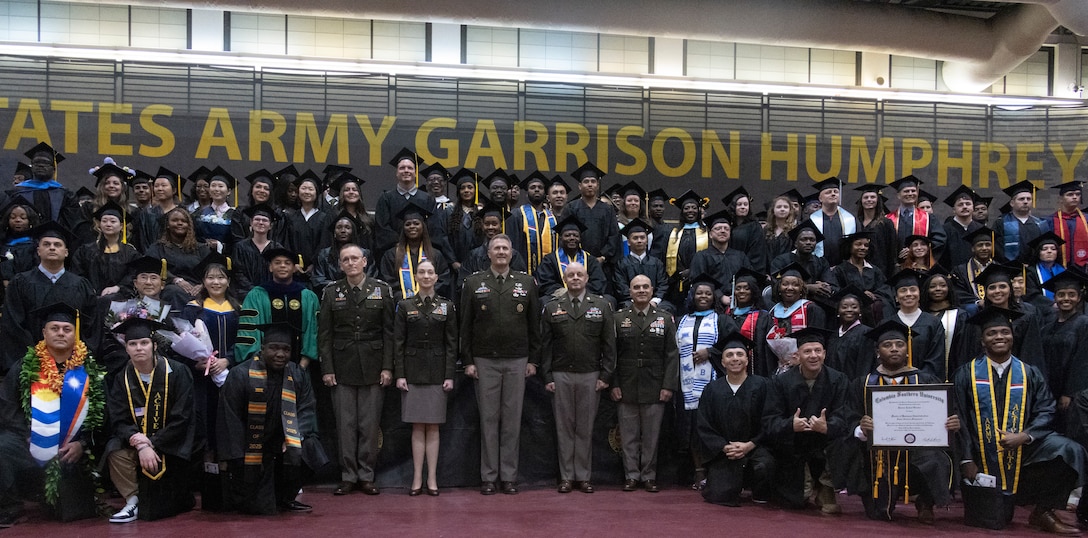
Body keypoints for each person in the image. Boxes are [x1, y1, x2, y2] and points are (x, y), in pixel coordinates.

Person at [953, 306, 1088, 534]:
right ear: (982, 340)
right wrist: (966, 459)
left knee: (1069, 450)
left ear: (1013, 337)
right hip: (980, 455)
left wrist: (1025, 436)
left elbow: (1046, 409)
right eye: (992, 333)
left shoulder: (1029, 373)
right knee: (996, 521)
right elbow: (959, 419)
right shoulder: (966, 374)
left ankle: (1043, 511)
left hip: (1024, 451)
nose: (999, 337)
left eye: (1004, 332)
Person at [0, 303, 104, 527]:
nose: (60, 333)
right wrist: (30, 434)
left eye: (67, 329)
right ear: (44, 332)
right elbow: (8, 407)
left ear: (75, 334)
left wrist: (82, 443)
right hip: (30, 439)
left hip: (72, 446)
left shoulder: (89, 370)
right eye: (54, 328)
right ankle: (9, 507)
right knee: (3, 446)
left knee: (69, 511)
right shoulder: (25, 367)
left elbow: (101, 414)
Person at [846, 320, 959, 523]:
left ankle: (926, 501)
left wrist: (950, 424)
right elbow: (850, 417)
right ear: (877, 352)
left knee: (935, 458)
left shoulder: (925, 380)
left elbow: (942, 417)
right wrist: (861, 429)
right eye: (887, 345)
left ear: (907, 351)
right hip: (878, 456)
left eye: (899, 344)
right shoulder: (863, 384)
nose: (894, 349)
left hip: (918, 451)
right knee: (878, 515)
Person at [460, 234, 541, 495]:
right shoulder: (474, 283)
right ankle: (488, 477)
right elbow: (465, 325)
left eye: (505, 248)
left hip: (517, 359)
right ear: (489, 253)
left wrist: (533, 360)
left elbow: (534, 326)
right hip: (484, 360)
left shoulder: (526, 283)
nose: (501, 252)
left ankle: (508, 476)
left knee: (512, 420)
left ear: (512, 253)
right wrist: (468, 360)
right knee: (488, 419)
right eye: (497, 248)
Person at [218, 322, 327, 514]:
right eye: (274, 348)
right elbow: (230, 420)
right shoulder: (241, 375)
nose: (280, 354)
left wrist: (294, 437)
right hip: (251, 447)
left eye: (286, 349)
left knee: (310, 446)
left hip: (282, 443)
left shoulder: (297, 374)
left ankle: (286, 496)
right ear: (262, 348)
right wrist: (237, 458)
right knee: (261, 508)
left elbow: (306, 409)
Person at [105, 316, 195, 523]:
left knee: (155, 510)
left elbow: (182, 418)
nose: (139, 348)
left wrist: (153, 442)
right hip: (137, 444)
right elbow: (118, 419)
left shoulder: (178, 372)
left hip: (171, 445)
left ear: (154, 346)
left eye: (144, 343)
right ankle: (132, 499)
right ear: (126, 348)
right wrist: (140, 443)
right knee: (114, 450)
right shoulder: (121, 378)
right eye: (133, 344)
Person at [319, 244, 393, 496]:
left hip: (374, 365)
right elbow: (325, 335)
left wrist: (387, 367)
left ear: (364, 261)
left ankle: (366, 475)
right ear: (340, 265)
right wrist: (327, 368)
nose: (351, 263)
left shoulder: (381, 290)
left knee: (369, 426)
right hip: (342, 366)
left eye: (355, 258)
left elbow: (389, 333)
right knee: (345, 425)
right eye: (345, 259)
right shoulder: (332, 292)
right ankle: (348, 475)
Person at [541, 262, 616, 494]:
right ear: (564, 279)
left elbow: (609, 345)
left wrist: (606, 375)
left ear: (586, 278)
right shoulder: (552, 307)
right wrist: (547, 376)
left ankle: (583, 476)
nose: (575, 278)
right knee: (564, 428)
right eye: (571, 275)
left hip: (590, 374)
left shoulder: (601, 306)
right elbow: (545, 346)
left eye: (579, 274)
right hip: (560, 374)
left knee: (585, 427)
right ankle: (566, 477)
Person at [762, 326, 848, 513]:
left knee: (844, 439)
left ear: (824, 354)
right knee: (795, 502)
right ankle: (804, 485)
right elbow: (769, 421)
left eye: (818, 351)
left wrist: (827, 426)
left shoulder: (838, 380)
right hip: (794, 445)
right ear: (797, 355)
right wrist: (789, 425)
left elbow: (844, 416)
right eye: (807, 351)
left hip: (825, 443)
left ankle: (826, 487)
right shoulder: (781, 382)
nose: (813, 356)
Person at [393, 259, 456, 496]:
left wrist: (449, 375)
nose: (426, 276)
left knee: (434, 427)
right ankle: (417, 478)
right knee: (417, 426)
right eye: (422, 272)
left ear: (436, 277)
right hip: (412, 371)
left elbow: (452, 345)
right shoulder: (405, 305)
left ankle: (432, 479)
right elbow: (398, 343)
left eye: (430, 272)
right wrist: (400, 374)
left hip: (437, 372)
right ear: (416, 277)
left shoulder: (446, 306)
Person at [0, 221, 96, 375]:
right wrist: (32, 358)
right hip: (31, 364)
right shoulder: (20, 283)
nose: (52, 247)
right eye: (46, 244)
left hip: (73, 364)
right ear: (38, 251)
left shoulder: (81, 285)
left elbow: (90, 324)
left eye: (57, 244)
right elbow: (13, 324)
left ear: (66, 252)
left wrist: (78, 356)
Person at [181, 252, 239, 507]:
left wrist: (227, 360)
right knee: (206, 428)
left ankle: (231, 485)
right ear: (203, 281)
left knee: (229, 428)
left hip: (231, 377)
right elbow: (182, 341)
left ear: (228, 281)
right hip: (202, 380)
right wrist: (197, 362)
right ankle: (209, 488)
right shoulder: (193, 308)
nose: (216, 282)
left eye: (221, 277)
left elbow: (247, 340)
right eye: (211, 278)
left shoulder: (238, 308)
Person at [612, 275, 678, 493]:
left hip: (655, 385)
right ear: (630, 292)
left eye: (645, 287)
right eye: (636, 287)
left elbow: (671, 355)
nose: (641, 290)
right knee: (628, 435)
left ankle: (649, 475)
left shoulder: (665, 318)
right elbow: (611, 355)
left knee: (651, 436)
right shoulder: (618, 318)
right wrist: (614, 384)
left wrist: (668, 386)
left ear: (652, 291)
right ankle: (631, 475)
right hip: (626, 383)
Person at [676, 275, 740, 490]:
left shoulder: (721, 320)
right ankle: (699, 471)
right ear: (692, 296)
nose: (703, 296)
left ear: (714, 297)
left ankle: (717, 470)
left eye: (708, 293)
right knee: (693, 428)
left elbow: (734, 344)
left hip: (714, 384)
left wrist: (710, 351)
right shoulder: (682, 320)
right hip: (685, 384)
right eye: (699, 293)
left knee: (712, 426)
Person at [696, 332, 774, 506]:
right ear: (723, 361)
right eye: (729, 355)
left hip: (755, 448)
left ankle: (758, 490)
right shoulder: (712, 389)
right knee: (718, 494)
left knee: (764, 466)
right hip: (725, 452)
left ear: (747, 359)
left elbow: (769, 420)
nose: (735, 358)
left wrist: (750, 445)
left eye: (740, 354)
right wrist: (724, 446)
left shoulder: (763, 385)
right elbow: (704, 424)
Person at [235, 247, 319, 366]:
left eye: (287, 263)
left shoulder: (308, 297)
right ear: (270, 267)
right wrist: (259, 363)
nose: (282, 266)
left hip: (300, 365)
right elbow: (249, 332)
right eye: (277, 263)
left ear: (294, 268)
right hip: (262, 365)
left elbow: (313, 331)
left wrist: (302, 366)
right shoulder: (256, 295)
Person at [753, 263, 826, 377]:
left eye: (795, 285)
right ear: (779, 288)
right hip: (777, 367)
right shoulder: (772, 312)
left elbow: (816, 340)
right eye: (785, 284)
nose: (790, 288)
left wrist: (801, 358)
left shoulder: (811, 309)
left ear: (801, 289)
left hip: (804, 367)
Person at [1040, 269, 1088, 428]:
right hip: (1049, 392)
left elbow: (1082, 362)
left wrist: (1069, 393)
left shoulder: (1084, 324)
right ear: (1055, 297)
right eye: (1061, 294)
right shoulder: (1047, 328)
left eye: (1071, 294)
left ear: (1079, 298)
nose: (1066, 298)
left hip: (1074, 395)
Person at [8, 142, 84, 236]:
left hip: (55, 239)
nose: (40, 165)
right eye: (36, 162)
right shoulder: (17, 192)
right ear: (31, 167)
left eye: (46, 163)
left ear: (54, 168)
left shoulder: (65, 195)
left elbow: (73, 223)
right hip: (24, 240)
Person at [379, 201, 452, 300]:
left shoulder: (435, 254)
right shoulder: (391, 255)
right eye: (408, 224)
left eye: (416, 223)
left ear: (423, 226)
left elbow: (443, 279)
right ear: (403, 228)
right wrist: (404, 298)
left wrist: (427, 294)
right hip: (400, 303)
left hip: (430, 303)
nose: (412, 226)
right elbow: (387, 282)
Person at [888, 268, 948, 381]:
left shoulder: (933, 323)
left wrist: (918, 379)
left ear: (919, 294)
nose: (908, 294)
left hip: (926, 384)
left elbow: (936, 358)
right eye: (903, 290)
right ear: (896, 297)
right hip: (894, 384)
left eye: (913, 290)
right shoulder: (888, 324)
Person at [70, 201, 140, 296]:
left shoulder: (131, 253)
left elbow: (134, 274)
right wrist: (88, 289)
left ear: (121, 226)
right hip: (91, 298)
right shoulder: (86, 250)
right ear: (99, 225)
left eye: (113, 221)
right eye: (104, 221)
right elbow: (77, 273)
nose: (108, 224)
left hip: (121, 298)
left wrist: (118, 287)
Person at [651, 190, 709, 307]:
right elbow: (663, 256)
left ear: (699, 211)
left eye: (694, 208)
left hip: (701, 281)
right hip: (676, 282)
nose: (690, 210)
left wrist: (692, 271)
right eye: (686, 208)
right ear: (682, 212)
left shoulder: (707, 232)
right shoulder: (671, 232)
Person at [688, 209, 754, 309]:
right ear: (710, 234)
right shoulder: (701, 256)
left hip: (739, 303)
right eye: (718, 228)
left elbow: (748, 278)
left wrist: (739, 295)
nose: (723, 231)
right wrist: (720, 297)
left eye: (726, 229)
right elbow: (699, 281)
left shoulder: (740, 256)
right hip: (712, 305)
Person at [560, 162, 620, 269]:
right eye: (586, 181)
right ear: (580, 186)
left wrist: (603, 256)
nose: (590, 184)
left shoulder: (607, 209)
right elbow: (565, 235)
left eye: (593, 181)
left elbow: (614, 236)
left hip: (603, 264)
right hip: (575, 262)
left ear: (598, 185)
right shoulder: (571, 208)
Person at [535, 214, 609, 299]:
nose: (572, 238)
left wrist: (580, 293)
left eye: (575, 235)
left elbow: (598, 282)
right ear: (560, 238)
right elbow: (545, 283)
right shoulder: (550, 260)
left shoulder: (590, 260)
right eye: (567, 235)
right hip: (558, 299)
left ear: (580, 239)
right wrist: (566, 293)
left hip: (586, 299)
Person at [145, 207, 212, 299]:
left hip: (197, 287)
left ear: (189, 225)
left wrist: (203, 285)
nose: (179, 223)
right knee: (173, 291)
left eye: (184, 221)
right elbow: (152, 267)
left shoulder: (201, 248)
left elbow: (212, 270)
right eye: (175, 220)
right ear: (167, 225)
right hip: (170, 287)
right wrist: (175, 279)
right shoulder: (158, 248)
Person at [921, 268, 976, 379]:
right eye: (932, 286)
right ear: (926, 290)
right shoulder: (921, 317)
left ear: (949, 289)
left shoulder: (960, 316)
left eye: (943, 285)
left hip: (952, 374)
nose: (938, 289)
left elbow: (963, 350)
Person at [830, 231, 894, 322]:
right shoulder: (840, 270)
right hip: (851, 310)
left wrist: (873, 295)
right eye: (858, 244)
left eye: (866, 245)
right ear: (850, 247)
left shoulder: (874, 270)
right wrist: (860, 295)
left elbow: (885, 290)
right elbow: (836, 291)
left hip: (874, 310)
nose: (863, 248)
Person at [612, 218, 670, 312]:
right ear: (628, 242)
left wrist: (654, 301)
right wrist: (636, 300)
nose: (639, 241)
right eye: (635, 238)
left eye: (642, 238)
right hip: (630, 302)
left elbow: (663, 285)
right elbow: (621, 287)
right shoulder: (621, 264)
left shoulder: (657, 263)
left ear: (647, 241)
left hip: (654, 302)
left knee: (667, 308)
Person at [770, 220, 834, 302]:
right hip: (787, 303)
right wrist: (808, 288)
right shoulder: (781, 261)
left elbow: (832, 285)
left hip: (815, 304)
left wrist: (826, 287)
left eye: (812, 240)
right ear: (796, 243)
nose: (808, 242)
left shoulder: (821, 262)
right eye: (804, 239)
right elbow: (776, 285)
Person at [508, 171, 557, 275]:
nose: (537, 189)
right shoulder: (517, 215)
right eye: (532, 187)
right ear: (527, 193)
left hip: (548, 275)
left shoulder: (553, 218)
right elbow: (513, 245)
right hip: (523, 272)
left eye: (540, 187)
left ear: (545, 192)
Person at [230, 203, 285, 295]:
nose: (260, 222)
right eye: (257, 219)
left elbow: (280, 273)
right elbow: (238, 273)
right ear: (251, 223)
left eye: (265, 220)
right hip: (246, 294)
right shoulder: (241, 247)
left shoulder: (277, 248)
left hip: (271, 294)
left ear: (270, 226)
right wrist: (254, 290)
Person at [824, 286, 876, 382]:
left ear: (860, 311)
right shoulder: (833, 336)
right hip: (833, 386)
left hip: (855, 386)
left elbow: (865, 366)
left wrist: (857, 386)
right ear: (838, 311)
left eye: (854, 307)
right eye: (844, 307)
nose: (849, 310)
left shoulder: (866, 334)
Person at [885, 175, 945, 258]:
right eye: (906, 191)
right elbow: (882, 243)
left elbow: (940, 240)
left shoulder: (928, 218)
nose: (910, 194)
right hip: (895, 263)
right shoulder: (888, 219)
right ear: (898, 195)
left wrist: (918, 250)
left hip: (920, 262)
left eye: (913, 191)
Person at [283, 170, 332, 271]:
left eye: (310, 189)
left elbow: (324, 243)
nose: (307, 192)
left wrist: (314, 264)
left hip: (318, 270)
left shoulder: (323, 218)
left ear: (316, 193)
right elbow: (288, 243)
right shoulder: (291, 217)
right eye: (303, 188)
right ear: (298, 192)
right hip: (295, 269)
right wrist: (293, 263)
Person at [993, 180, 1045, 265]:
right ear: (1012, 203)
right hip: (1009, 268)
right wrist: (1012, 265)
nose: (1025, 202)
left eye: (1029, 199)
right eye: (1021, 199)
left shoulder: (1040, 224)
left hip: (1034, 269)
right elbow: (996, 247)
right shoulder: (1001, 222)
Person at [808, 177, 856, 268]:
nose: (833, 194)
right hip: (818, 266)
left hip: (844, 267)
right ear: (820, 198)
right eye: (828, 192)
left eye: (836, 192)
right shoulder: (812, 220)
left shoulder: (850, 219)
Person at [854, 183, 898, 279]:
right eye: (866, 197)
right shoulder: (856, 222)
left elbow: (891, 251)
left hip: (881, 271)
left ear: (878, 200)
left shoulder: (886, 223)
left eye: (872, 197)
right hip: (859, 272)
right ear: (861, 201)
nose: (869, 200)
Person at [192, 166, 239, 254]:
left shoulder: (236, 215)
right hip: (201, 256)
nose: (216, 189)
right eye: (213, 186)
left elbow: (238, 243)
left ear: (228, 191)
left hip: (227, 257)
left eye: (220, 186)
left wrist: (220, 246)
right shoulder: (198, 214)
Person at [723, 186, 769, 274]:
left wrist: (748, 270)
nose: (743, 207)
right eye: (739, 204)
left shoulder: (754, 226)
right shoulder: (727, 226)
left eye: (746, 204)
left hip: (748, 270)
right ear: (733, 207)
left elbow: (757, 252)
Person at [1047, 180, 1088, 269]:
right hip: (1058, 267)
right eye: (1070, 194)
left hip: (1084, 268)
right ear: (1060, 199)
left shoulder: (1086, 220)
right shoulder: (1050, 221)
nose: (1075, 197)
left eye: (1078, 194)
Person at [939, 185, 981, 270]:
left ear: (973, 208)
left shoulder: (980, 229)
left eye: (968, 204)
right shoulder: (944, 230)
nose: (964, 206)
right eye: (960, 204)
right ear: (954, 210)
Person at [1023, 231, 1066, 311]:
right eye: (1044, 249)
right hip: (1041, 311)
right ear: (1038, 253)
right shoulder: (1030, 272)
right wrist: (1051, 304)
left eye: (1053, 249)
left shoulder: (1063, 271)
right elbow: (1031, 294)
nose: (1049, 251)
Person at [766, 194, 799, 262]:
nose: (782, 209)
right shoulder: (766, 230)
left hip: (788, 265)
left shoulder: (794, 230)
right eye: (779, 207)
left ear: (790, 210)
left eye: (785, 207)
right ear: (773, 210)